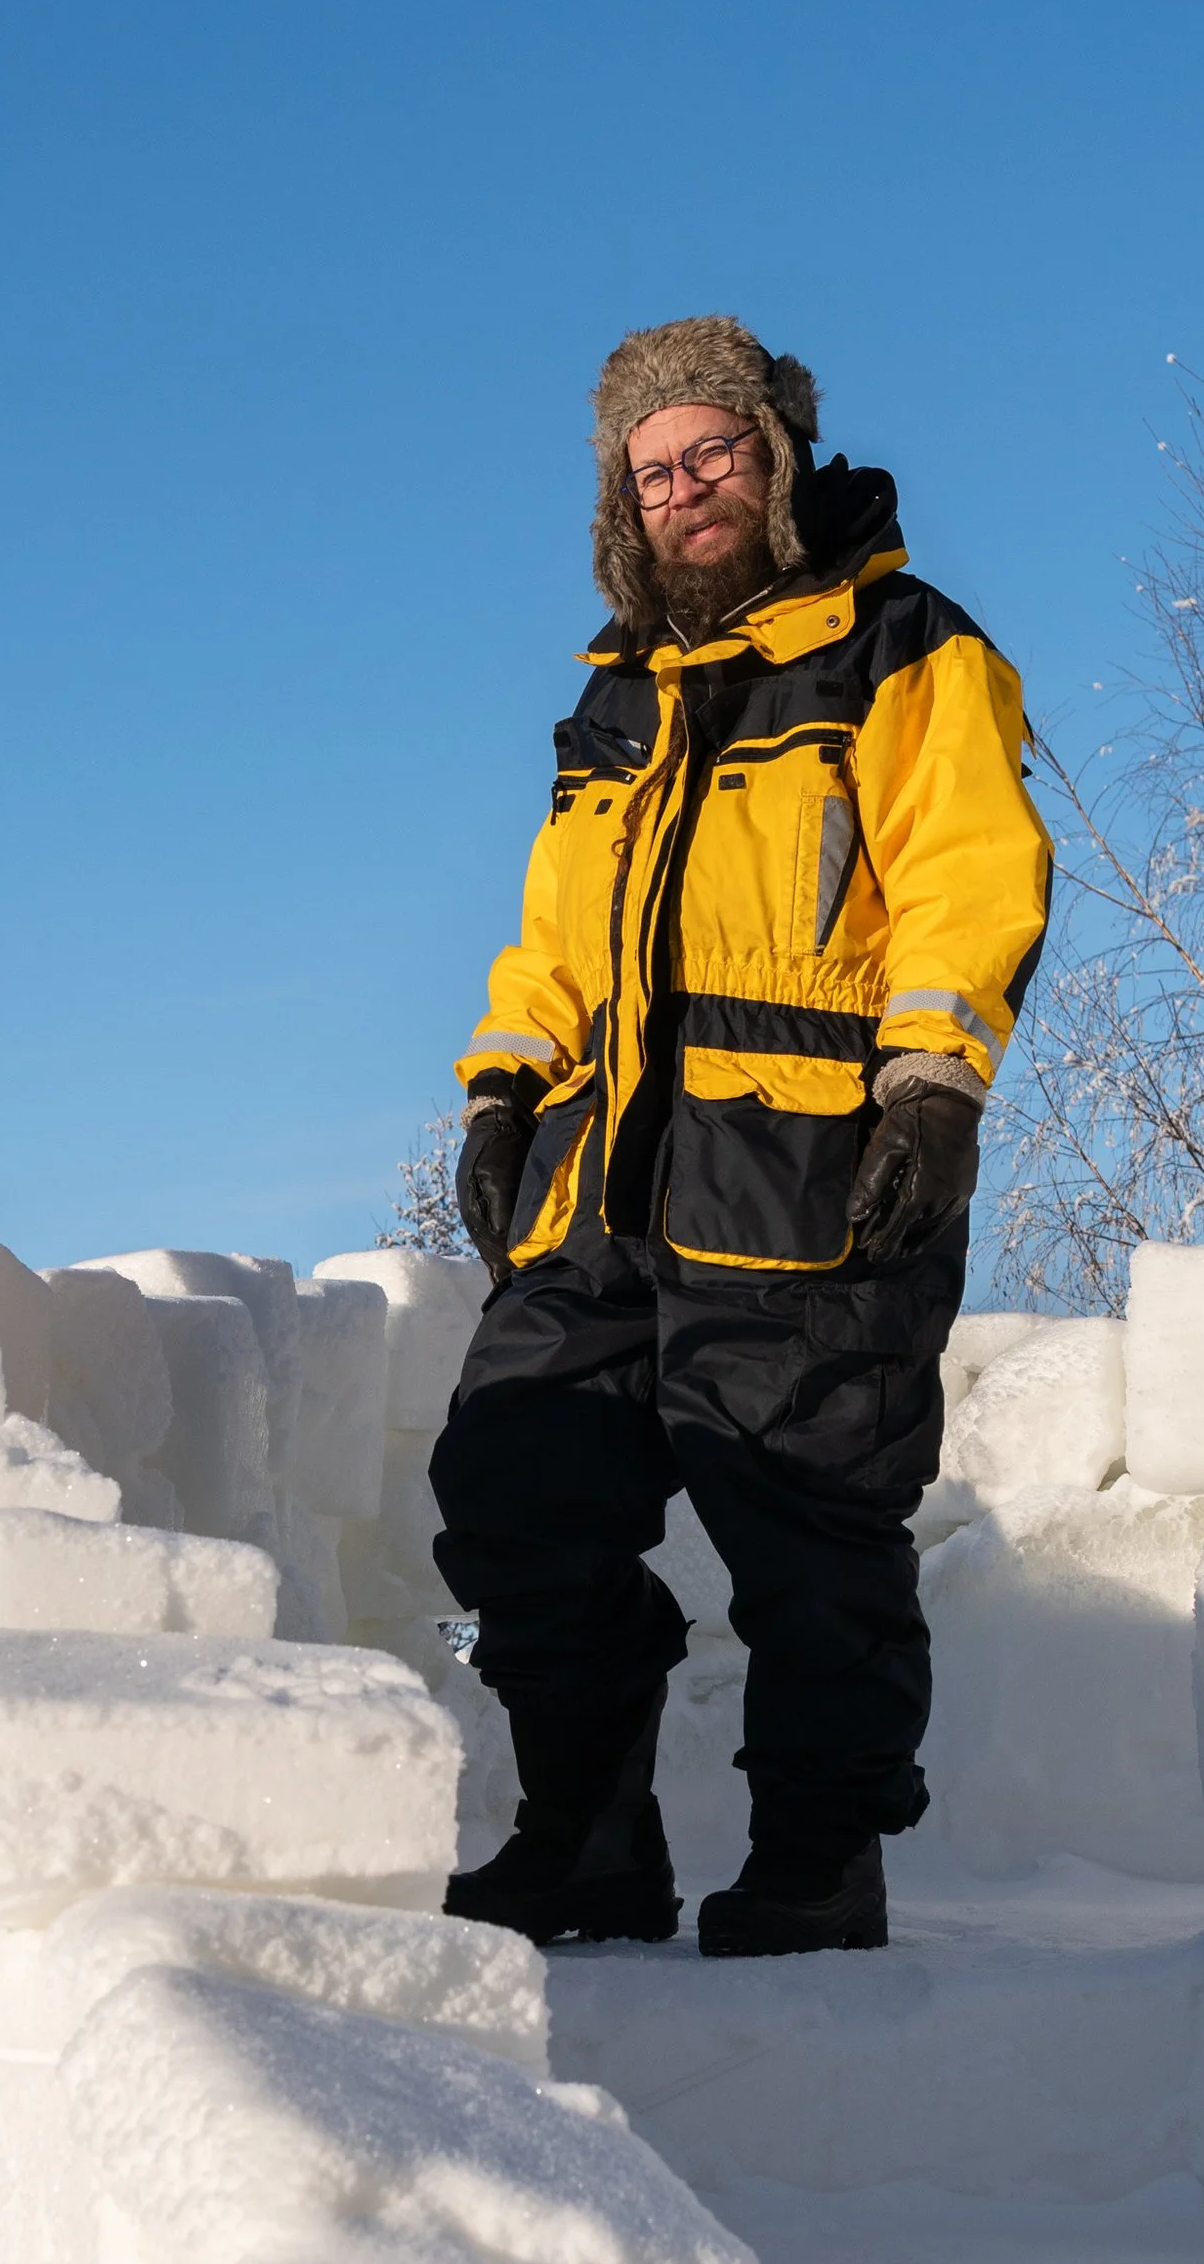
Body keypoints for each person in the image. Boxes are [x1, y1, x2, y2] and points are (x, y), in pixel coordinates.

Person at [431, 315, 1051, 1958]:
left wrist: (935, 1088)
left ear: (775, 457)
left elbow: (967, 881)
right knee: (518, 1486)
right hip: (600, 1180)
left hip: (804, 1181)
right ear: (619, 507)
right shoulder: (614, 697)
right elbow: (556, 931)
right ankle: (586, 1840)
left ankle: (819, 1862)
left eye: (711, 451)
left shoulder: (906, 646)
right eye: (652, 469)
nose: (684, 487)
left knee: (810, 1522)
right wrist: (503, 1082)